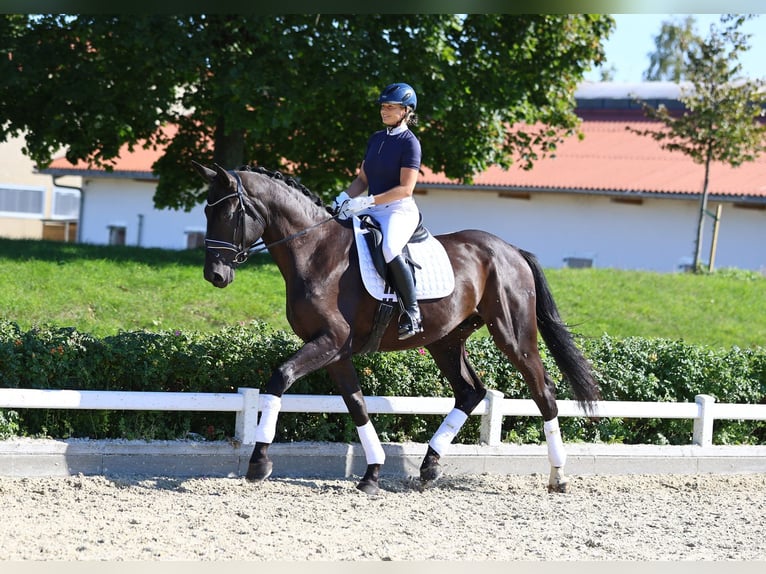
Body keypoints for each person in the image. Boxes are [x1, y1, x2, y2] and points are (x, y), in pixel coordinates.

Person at [334, 82, 423, 340]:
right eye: (383, 106)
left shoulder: (410, 144)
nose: (384, 111)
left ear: (406, 111)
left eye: (390, 107)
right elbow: (363, 179)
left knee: (389, 248)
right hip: (372, 207)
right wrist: (343, 197)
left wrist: (368, 202)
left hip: (398, 209)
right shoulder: (376, 139)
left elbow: (406, 189)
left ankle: (412, 312)